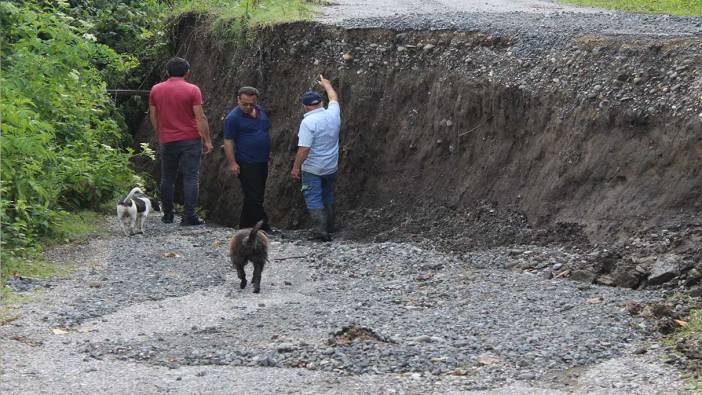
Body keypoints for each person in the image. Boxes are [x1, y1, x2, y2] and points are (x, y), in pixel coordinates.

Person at [149, 57, 213, 226]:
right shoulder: (193, 90)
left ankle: (168, 215)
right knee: (191, 177)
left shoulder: (156, 90)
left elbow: (153, 115)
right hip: (190, 139)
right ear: (187, 72)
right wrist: (207, 140)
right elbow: (200, 117)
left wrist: (160, 133)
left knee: (167, 178)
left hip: (167, 139)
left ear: (167, 72)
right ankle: (188, 216)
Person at [291, 75, 341, 242]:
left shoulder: (308, 123)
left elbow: (304, 149)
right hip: (331, 166)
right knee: (327, 195)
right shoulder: (333, 113)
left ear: (305, 107)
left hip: (312, 168)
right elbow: (333, 97)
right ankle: (331, 226)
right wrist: (327, 85)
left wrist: (296, 167)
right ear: (321, 103)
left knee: (313, 197)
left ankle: (321, 232)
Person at [223, 86, 274, 232]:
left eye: (251, 103)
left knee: (255, 194)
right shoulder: (232, 118)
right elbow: (228, 141)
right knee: (254, 196)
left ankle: (245, 226)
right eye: (244, 103)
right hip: (246, 162)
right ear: (238, 100)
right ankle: (264, 227)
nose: (247, 107)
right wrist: (232, 163)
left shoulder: (260, 112)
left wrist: (268, 152)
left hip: (261, 160)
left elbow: (264, 131)